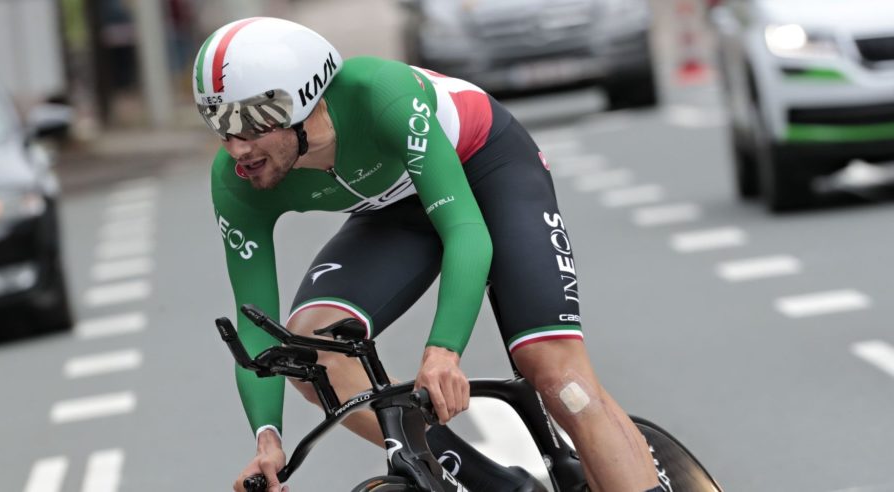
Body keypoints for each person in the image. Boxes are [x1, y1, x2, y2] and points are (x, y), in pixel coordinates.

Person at [200, 17, 666, 492]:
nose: (235, 147)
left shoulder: (382, 93)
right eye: (218, 124)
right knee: (312, 350)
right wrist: (267, 441)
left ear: (303, 97)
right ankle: (496, 485)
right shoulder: (237, 181)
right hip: (394, 207)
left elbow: (465, 230)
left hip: (487, 169)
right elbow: (253, 329)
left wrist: (444, 351)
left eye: (249, 123)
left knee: (556, 374)